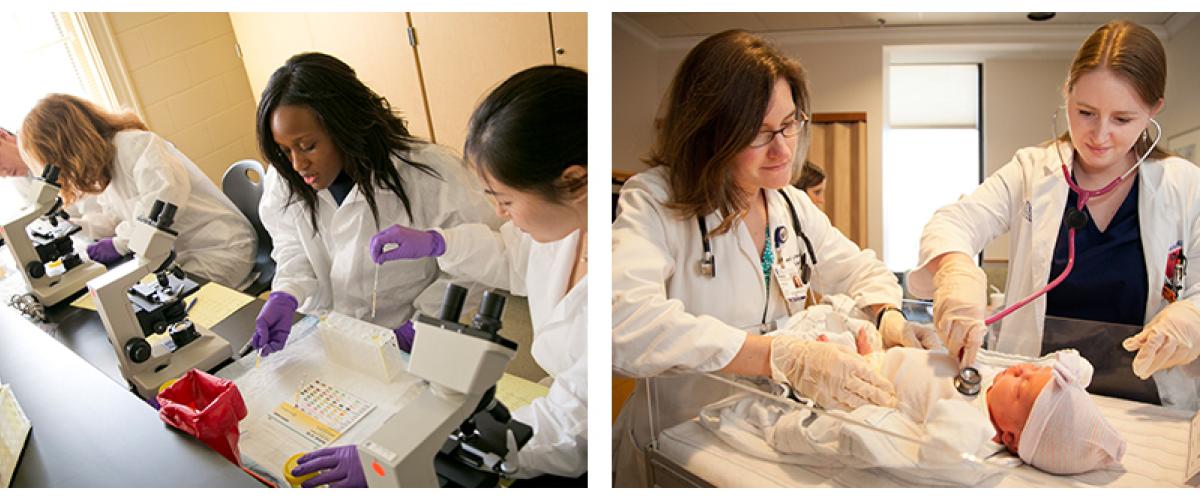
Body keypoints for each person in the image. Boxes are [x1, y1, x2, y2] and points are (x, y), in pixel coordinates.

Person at [612, 29, 931, 486]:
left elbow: (860, 269)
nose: (782, 149)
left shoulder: (790, 205)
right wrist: (776, 356)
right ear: (709, 134)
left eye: (788, 124)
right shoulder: (655, 200)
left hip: (757, 439)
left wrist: (888, 316)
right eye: (758, 134)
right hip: (674, 442)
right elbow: (624, 324)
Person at [288, 65, 588, 488]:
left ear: (573, 182)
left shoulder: (616, 291)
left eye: (505, 200)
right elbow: (513, 257)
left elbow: (571, 429)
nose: (500, 214)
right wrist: (439, 242)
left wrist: (415, 451)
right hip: (557, 402)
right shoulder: (567, 225)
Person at [906, 20, 1200, 409]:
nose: (1099, 135)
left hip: (1143, 403)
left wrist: (1191, 318)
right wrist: (954, 270)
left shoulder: (1185, 187)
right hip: (1035, 397)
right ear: (1067, 92)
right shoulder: (1032, 172)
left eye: (1122, 119)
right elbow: (953, 222)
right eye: (1086, 112)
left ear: (1153, 110)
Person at [249, 52, 499, 359]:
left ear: (344, 125)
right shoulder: (286, 177)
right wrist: (287, 293)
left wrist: (420, 326)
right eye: (285, 150)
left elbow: (476, 263)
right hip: (330, 336)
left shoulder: (429, 174)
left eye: (308, 146)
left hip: (412, 342)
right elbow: (292, 245)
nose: (298, 164)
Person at [16, 94, 256, 288]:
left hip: (219, 248)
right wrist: (76, 226)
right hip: (182, 255)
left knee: (173, 308)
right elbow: (113, 217)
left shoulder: (133, 145)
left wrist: (119, 244)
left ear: (66, 147)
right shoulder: (102, 165)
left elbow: (161, 209)